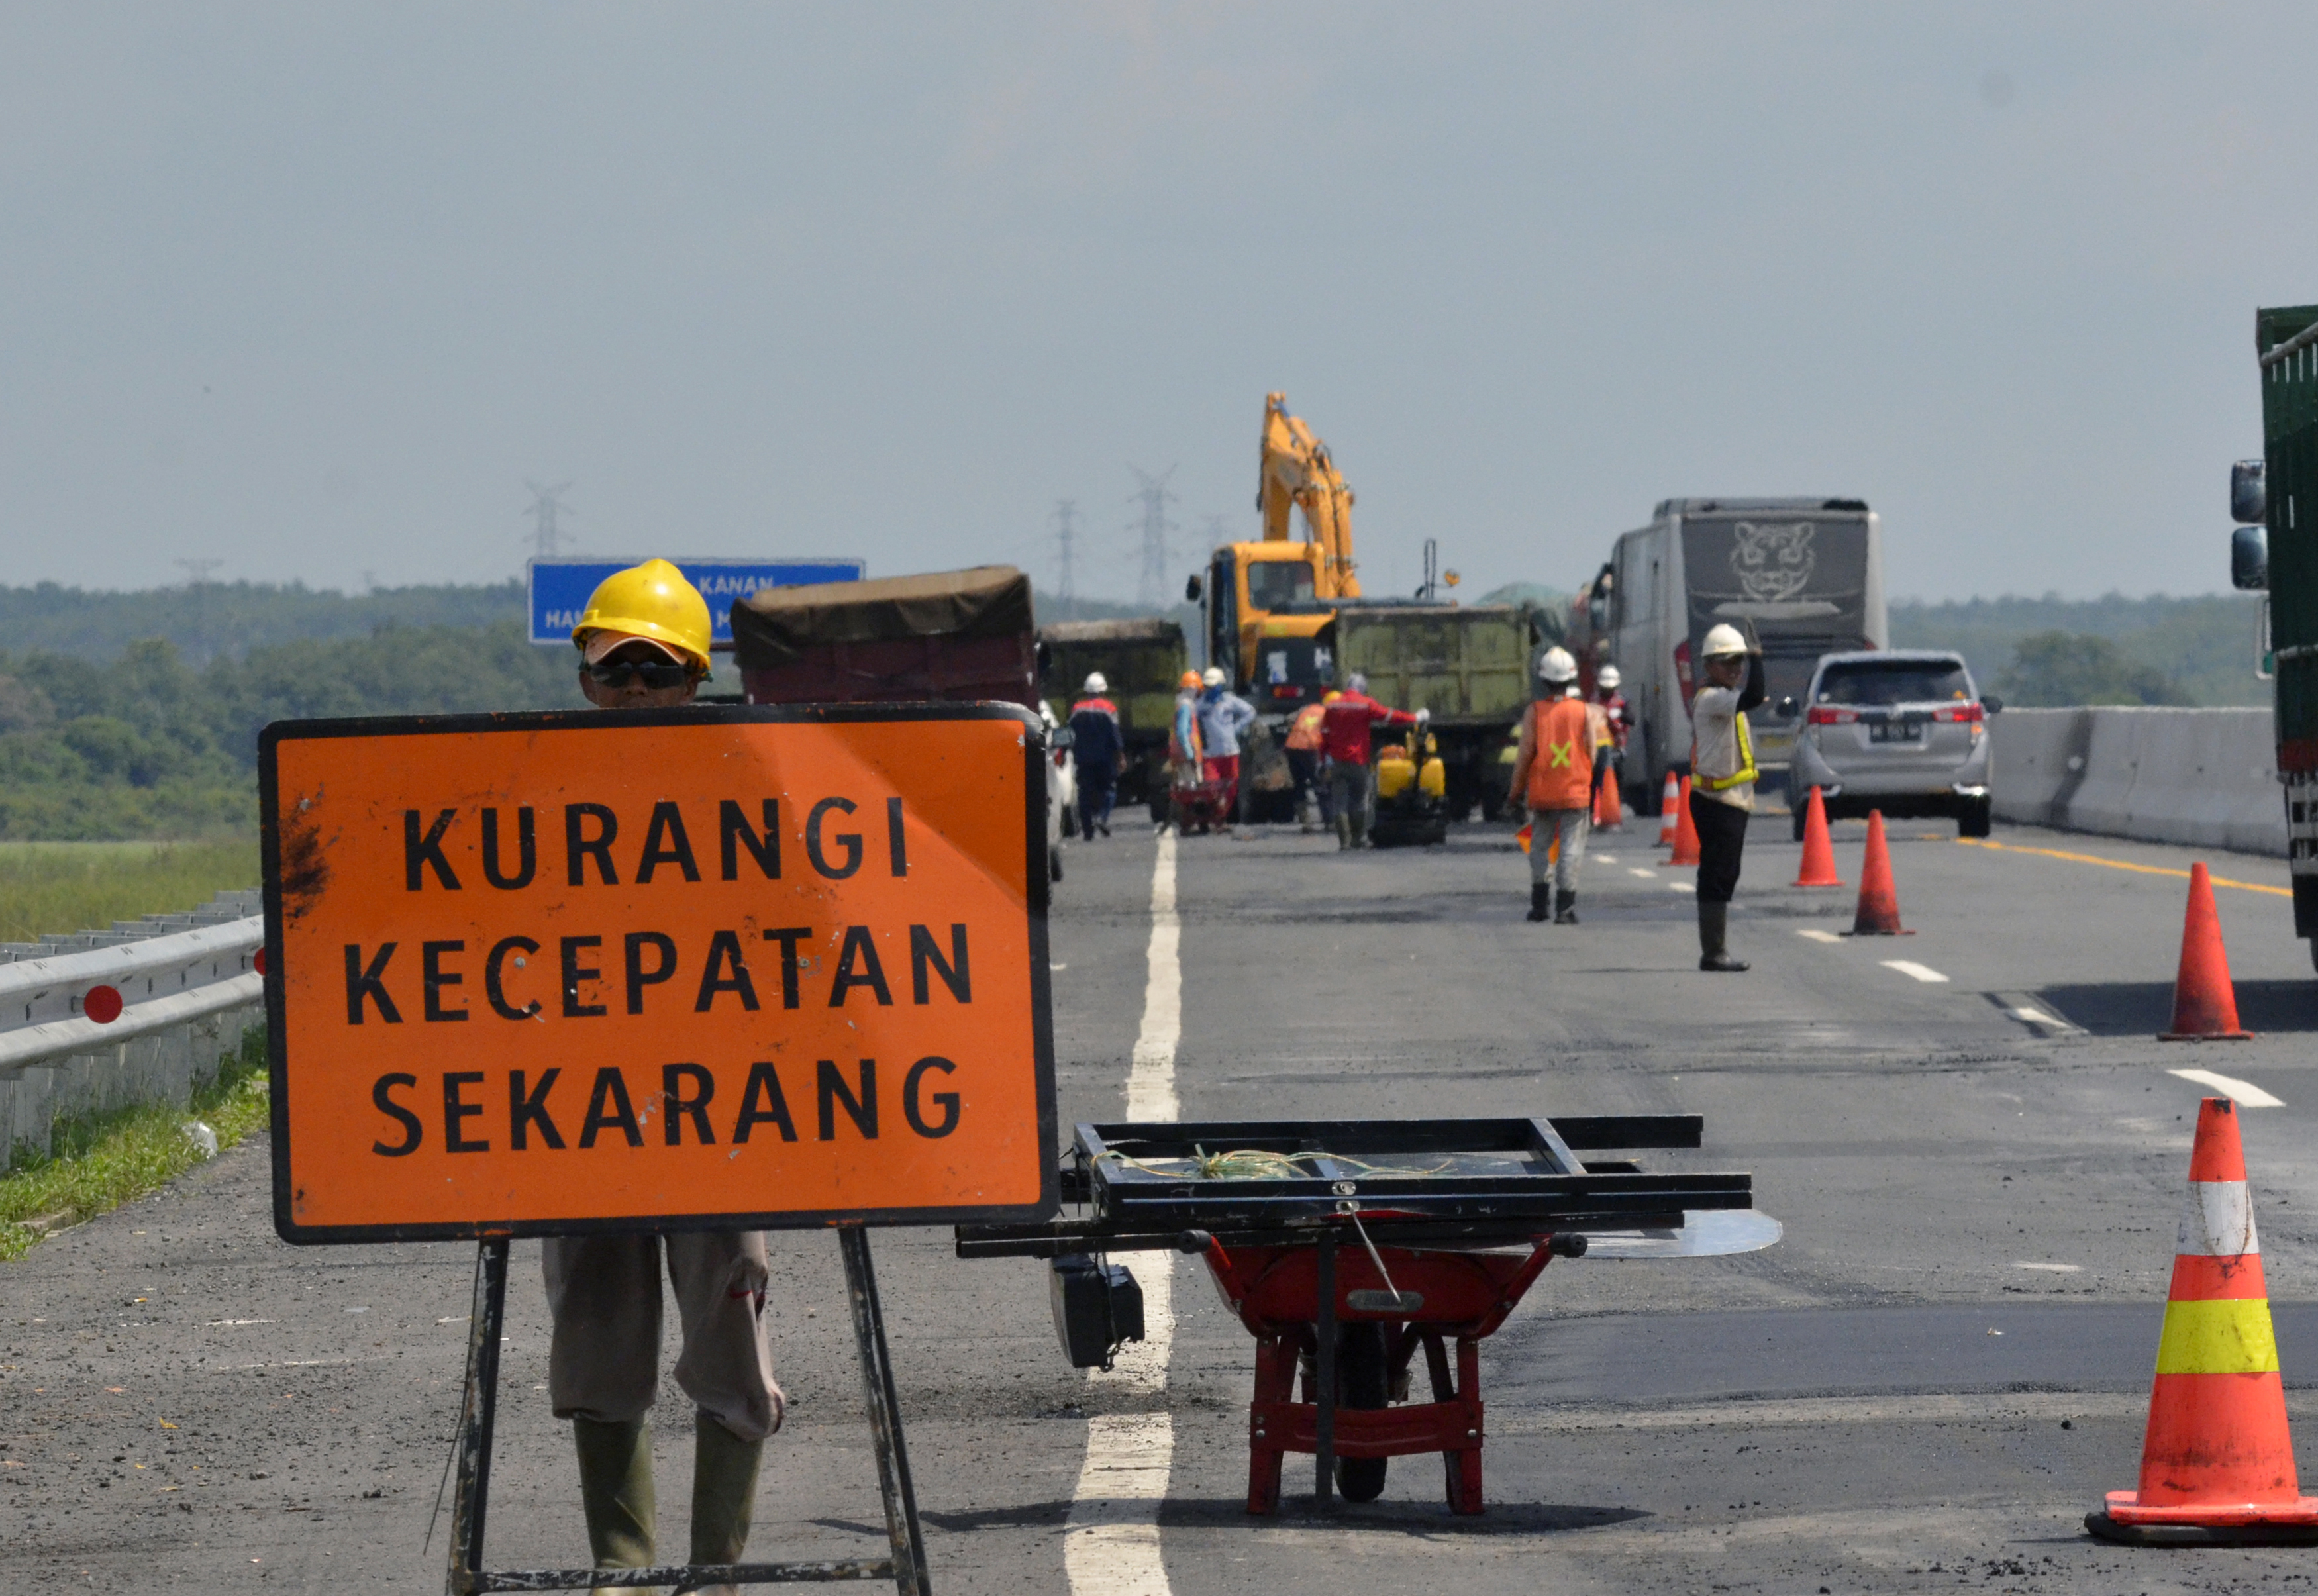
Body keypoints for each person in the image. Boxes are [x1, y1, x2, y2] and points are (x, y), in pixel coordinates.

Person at [552, 559, 783, 1596]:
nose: (636, 695)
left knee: (730, 1326)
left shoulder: (753, 780)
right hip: (580, 1115)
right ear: (586, 679)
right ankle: (623, 1568)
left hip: (720, 1114)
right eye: (616, 673)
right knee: (597, 1330)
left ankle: (714, 1570)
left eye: (658, 673)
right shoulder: (537, 791)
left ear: (696, 678)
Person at [1690, 621, 1766, 972]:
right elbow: (1751, 698)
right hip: (1717, 801)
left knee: (1724, 872)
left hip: (1731, 798)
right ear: (1708, 666)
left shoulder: (1725, 698)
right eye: (1727, 662)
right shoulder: (1713, 699)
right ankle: (1714, 952)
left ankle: (1715, 949)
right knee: (1719, 874)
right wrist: (1759, 660)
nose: (1736, 669)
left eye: (1740, 662)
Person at [1508, 648, 1593, 923]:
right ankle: (1565, 908)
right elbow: (1591, 753)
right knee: (1571, 847)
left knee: (1540, 847)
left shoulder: (1535, 712)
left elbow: (1524, 757)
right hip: (1575, 793)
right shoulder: (1583, 711)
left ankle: (1539, 906)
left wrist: (1515, 792)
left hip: (1543, 792)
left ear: (1543, 680)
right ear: (1571, 679)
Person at [1320, 672, 1425, 850]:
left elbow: (1324, 733)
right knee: (1359, 800)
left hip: (1337, 762)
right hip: (1357, 760)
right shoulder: (1365, 704)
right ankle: (1358, 840)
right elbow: (1389, 716)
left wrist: (1323, 759)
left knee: (1339, 803)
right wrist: (1415, 718)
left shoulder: (1332, 705)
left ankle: (1344, 843)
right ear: (1362, 688)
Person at [1196, 666, 1257, 828]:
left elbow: (1250, 712)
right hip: (1210, 754)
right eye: (1207, 687)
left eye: (1212, 686)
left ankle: (1220, 819)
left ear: (1220, 686)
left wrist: (1235, 729)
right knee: (1211, 787)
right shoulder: (1200, 705)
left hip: (1231, 752)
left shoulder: (1229, 701)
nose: (1209, 689)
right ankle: (1210, 816)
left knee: (1231, 788)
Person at [1067, 672, 1124, 838]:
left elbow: (1069, 733)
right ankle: (1101, 818)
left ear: (1086, 691)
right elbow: (1115, 735)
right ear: (1103, 690)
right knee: (1109, 790)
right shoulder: (1109, 708)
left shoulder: (1077, 710)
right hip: (1105, 759)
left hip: (1083, 758)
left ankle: (1088, 830)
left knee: (1084, 793)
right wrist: (1120, 756)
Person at [1169, 670, 1210, 834]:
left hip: (1180, 755)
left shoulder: (1181, 705)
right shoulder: (1186, 707)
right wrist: (1191, 755)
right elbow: (1181, 732)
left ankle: (1191, 822)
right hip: (1187, 755)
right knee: (1193, 790)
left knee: (1187, 789)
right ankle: (1193, 822)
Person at [1284, 693, 1331, 832]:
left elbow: (1289, 719)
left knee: (1299, 785)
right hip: (1310, 749)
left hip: (1292, 747)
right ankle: (1329, 822)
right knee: (1320, 784)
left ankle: (1306, 823)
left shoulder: (1309, 708)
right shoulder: (1329, 713)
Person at [1589, 664, 1633, 814]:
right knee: (1595, 779)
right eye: (1605, 688)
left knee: (1617, 777)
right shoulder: (1594, 701)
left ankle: (1616, 804)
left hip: (1616, 747)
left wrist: (1619, 714)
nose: (1607, 691)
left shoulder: (1621, 702)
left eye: (1610, 688)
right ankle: (1593, 809)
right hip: (1597, 747)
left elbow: (1631, 719)